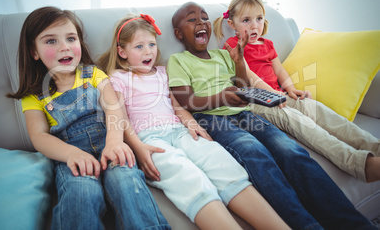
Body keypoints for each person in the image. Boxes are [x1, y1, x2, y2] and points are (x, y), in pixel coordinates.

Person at [168, 1, 376, 230]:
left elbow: (244, 85)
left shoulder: (224, 54)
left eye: (205, 17)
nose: (201, 22)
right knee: (256, 153)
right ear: (178, 33)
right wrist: (222, 98)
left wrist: (238, 63)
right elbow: (187, 101)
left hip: (244, 111)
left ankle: (354, 225)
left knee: (293, 152)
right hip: (213, 118)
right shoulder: (178, 61)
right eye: (192, 19)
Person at [97, 13, 290, 230]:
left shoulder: (162, 72)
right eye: (139, 46)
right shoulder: (117, 78)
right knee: (188, 176)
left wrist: (191, 123)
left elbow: (177, 105)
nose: (148, 51)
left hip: (179, 131)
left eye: (151, 44)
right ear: (122, 52)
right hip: (149, 138)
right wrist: (138, 147)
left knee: (220, 161)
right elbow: (119, 118)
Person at [6, 7, 170, 230]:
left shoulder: (93, 74)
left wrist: (114, 141)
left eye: (70, 38)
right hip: (70, 156)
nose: (64, 46)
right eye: (51, 41)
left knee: (127, 183)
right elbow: (39, 136)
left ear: (79, 44)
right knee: (81, 193)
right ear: (34, 52)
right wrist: (72, 154)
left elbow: (114, 107)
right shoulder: (34, 96)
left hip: (110, 144)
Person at [213, 0, 380, 183]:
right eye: (246, 20)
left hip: (279, 95)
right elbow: (250, 76)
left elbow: (280, 71)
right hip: (258, 101)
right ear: (232, 25)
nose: (254, 26)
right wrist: (271, 93)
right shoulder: (233, 45)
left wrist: (290, 89)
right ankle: (360, 164)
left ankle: (375, 147)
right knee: (303, 123)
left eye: (259, 19)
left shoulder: (267, 44)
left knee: (320, 111)